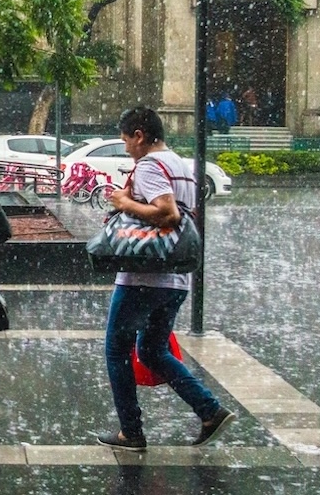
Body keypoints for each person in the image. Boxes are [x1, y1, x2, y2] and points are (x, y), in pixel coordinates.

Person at [97, 106, 236, 452]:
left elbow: (168, 214)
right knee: (153, 350)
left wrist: (124, 203)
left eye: (127, 141)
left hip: (144, 276)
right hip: (174, 279)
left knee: (117, 350)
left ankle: (131, 432)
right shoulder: (181, 165)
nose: (126, 148)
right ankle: (209, 410)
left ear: (140, 136)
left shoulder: (148, 165)